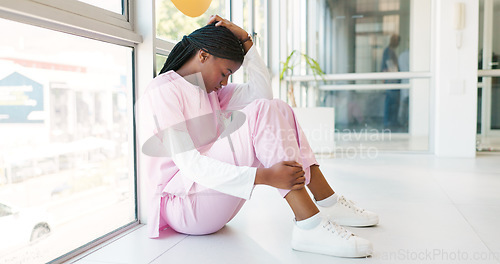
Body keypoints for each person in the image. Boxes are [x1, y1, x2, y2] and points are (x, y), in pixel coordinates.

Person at [136, 15, 378, 258]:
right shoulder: (163, 91)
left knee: (279, 107)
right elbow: (191, 165)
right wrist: (264, 176)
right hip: (184, 206)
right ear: (203, 55)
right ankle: (310, 224)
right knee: (264, 111)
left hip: (210, 198)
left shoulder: (209, 92)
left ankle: (327, 202)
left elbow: (263, 94)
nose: (224, 82)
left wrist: (247, 42)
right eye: (224, 72)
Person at [381, 34, 401, 131]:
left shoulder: (392, 51)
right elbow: (388, 67)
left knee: (394, 102)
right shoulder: (388, 52)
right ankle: (388, 123)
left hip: (394, 81)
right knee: (390, 102)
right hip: (390, 81)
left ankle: (392, 122)